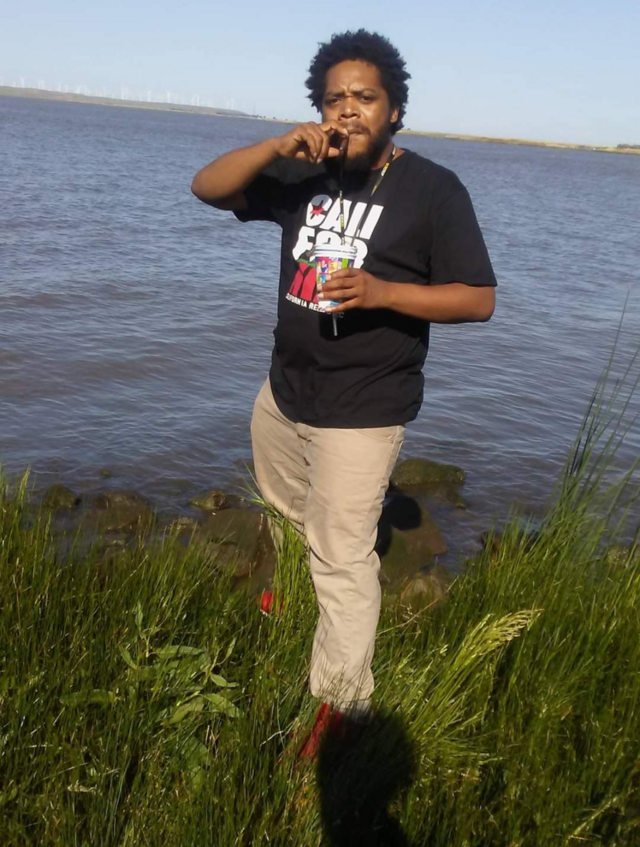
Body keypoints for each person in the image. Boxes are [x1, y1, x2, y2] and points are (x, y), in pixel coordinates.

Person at [191, 29, 496, 756]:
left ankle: (340, 705)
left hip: (364, 407)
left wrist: (384, 292)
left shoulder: (434, 189)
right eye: (335, 99)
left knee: (344, 558)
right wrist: (275, 147)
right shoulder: (305, 173)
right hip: (284, 392)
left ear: (395, 110)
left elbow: (478, 298)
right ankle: (296, 598)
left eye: (365, 97)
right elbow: (208, 187)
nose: (349, 110)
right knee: (287, 512)